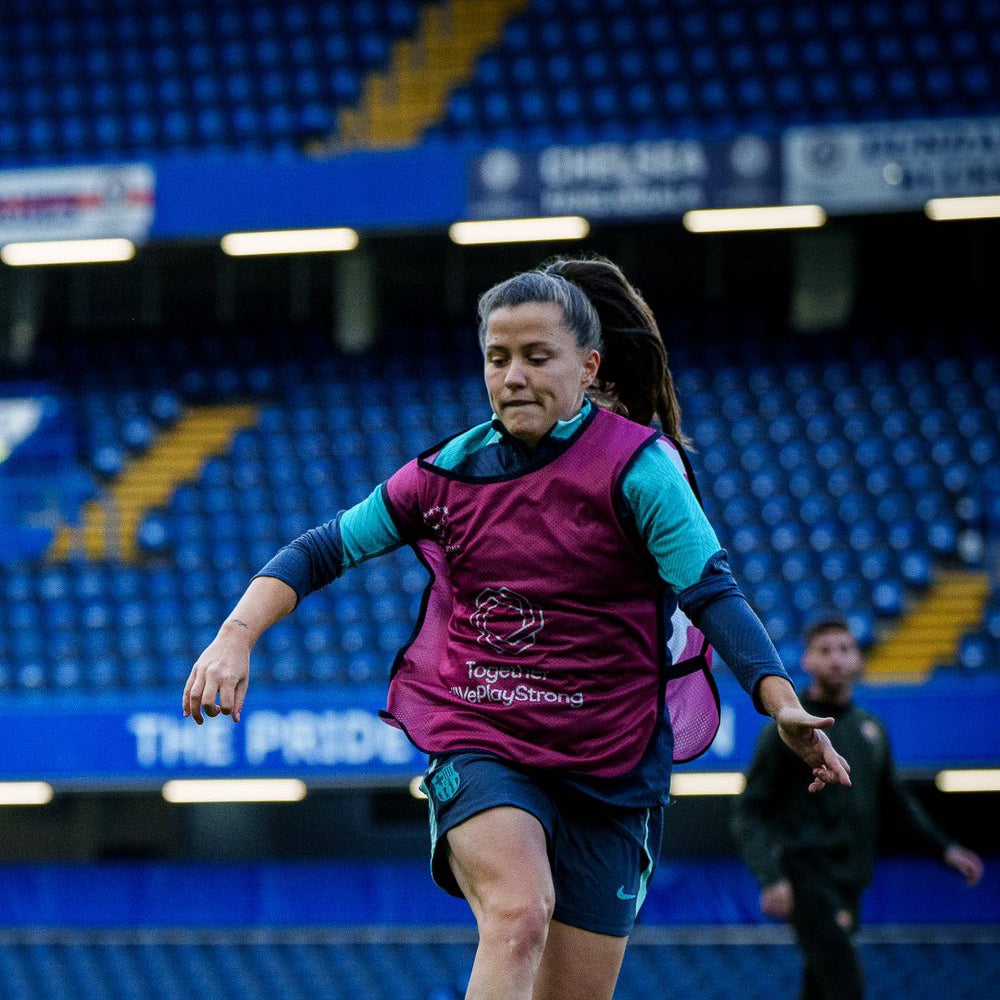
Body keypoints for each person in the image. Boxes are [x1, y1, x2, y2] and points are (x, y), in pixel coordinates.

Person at [181, 256, 853, 1000]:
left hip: (614, 767)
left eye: (537, 357)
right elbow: (321, 548)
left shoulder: (641, 470)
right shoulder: (445, 474)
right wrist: (234, 635)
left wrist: (779, 699)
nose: (514, 376)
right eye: (498, 359)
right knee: (519, 912)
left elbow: (712, 592)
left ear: (587, 366)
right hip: (485, 735)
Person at [731, 618, 985, 1000]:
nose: (836, 658)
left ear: (858, 658)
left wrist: (944, 849)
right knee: (846, 987)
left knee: (821, 990)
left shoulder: (872, 729)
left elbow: (897, 803)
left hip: (850, 883)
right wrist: (772, 877)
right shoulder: (787, 731)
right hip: (807, 879)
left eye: (845, 649)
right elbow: (748, 812)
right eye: (825, 650)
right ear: (807, 660)